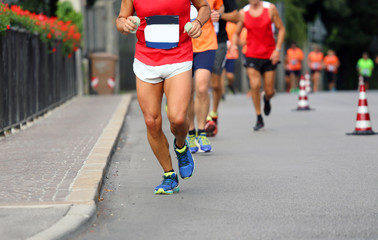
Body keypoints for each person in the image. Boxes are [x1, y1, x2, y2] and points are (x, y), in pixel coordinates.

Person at [116, 0, 210, 194]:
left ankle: (181, 146)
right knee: (151, 121)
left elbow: (205, 7)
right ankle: (169, 174)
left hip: (179, 57)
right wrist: (124, 25)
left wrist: (199, 23)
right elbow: (120, 19)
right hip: (146, 59)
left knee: (177, 118)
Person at [231, 0, 285, 131]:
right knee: (254, 85)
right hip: (252, 55)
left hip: (269, 55)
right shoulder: (243, 13)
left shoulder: (270, 9)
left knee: (269, 91)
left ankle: (267, 99)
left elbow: (281, 29)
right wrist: (234, 45)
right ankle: (259, 116)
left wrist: (277, 50)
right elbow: (236, 34)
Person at [187, 0, 223, 153]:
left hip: (206, 43)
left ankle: (202, 131)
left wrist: (217, 14)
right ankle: (191, 133)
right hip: (183, 44)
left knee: (202, 88)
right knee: (187, 91)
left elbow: (219, 7)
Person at [205, 0, 239, 137]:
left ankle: (214, 113)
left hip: (219, 42)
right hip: (200, 42)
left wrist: (220, 15)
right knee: (202, 83)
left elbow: (236, 16)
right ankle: (206, 118)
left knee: (215, 83)